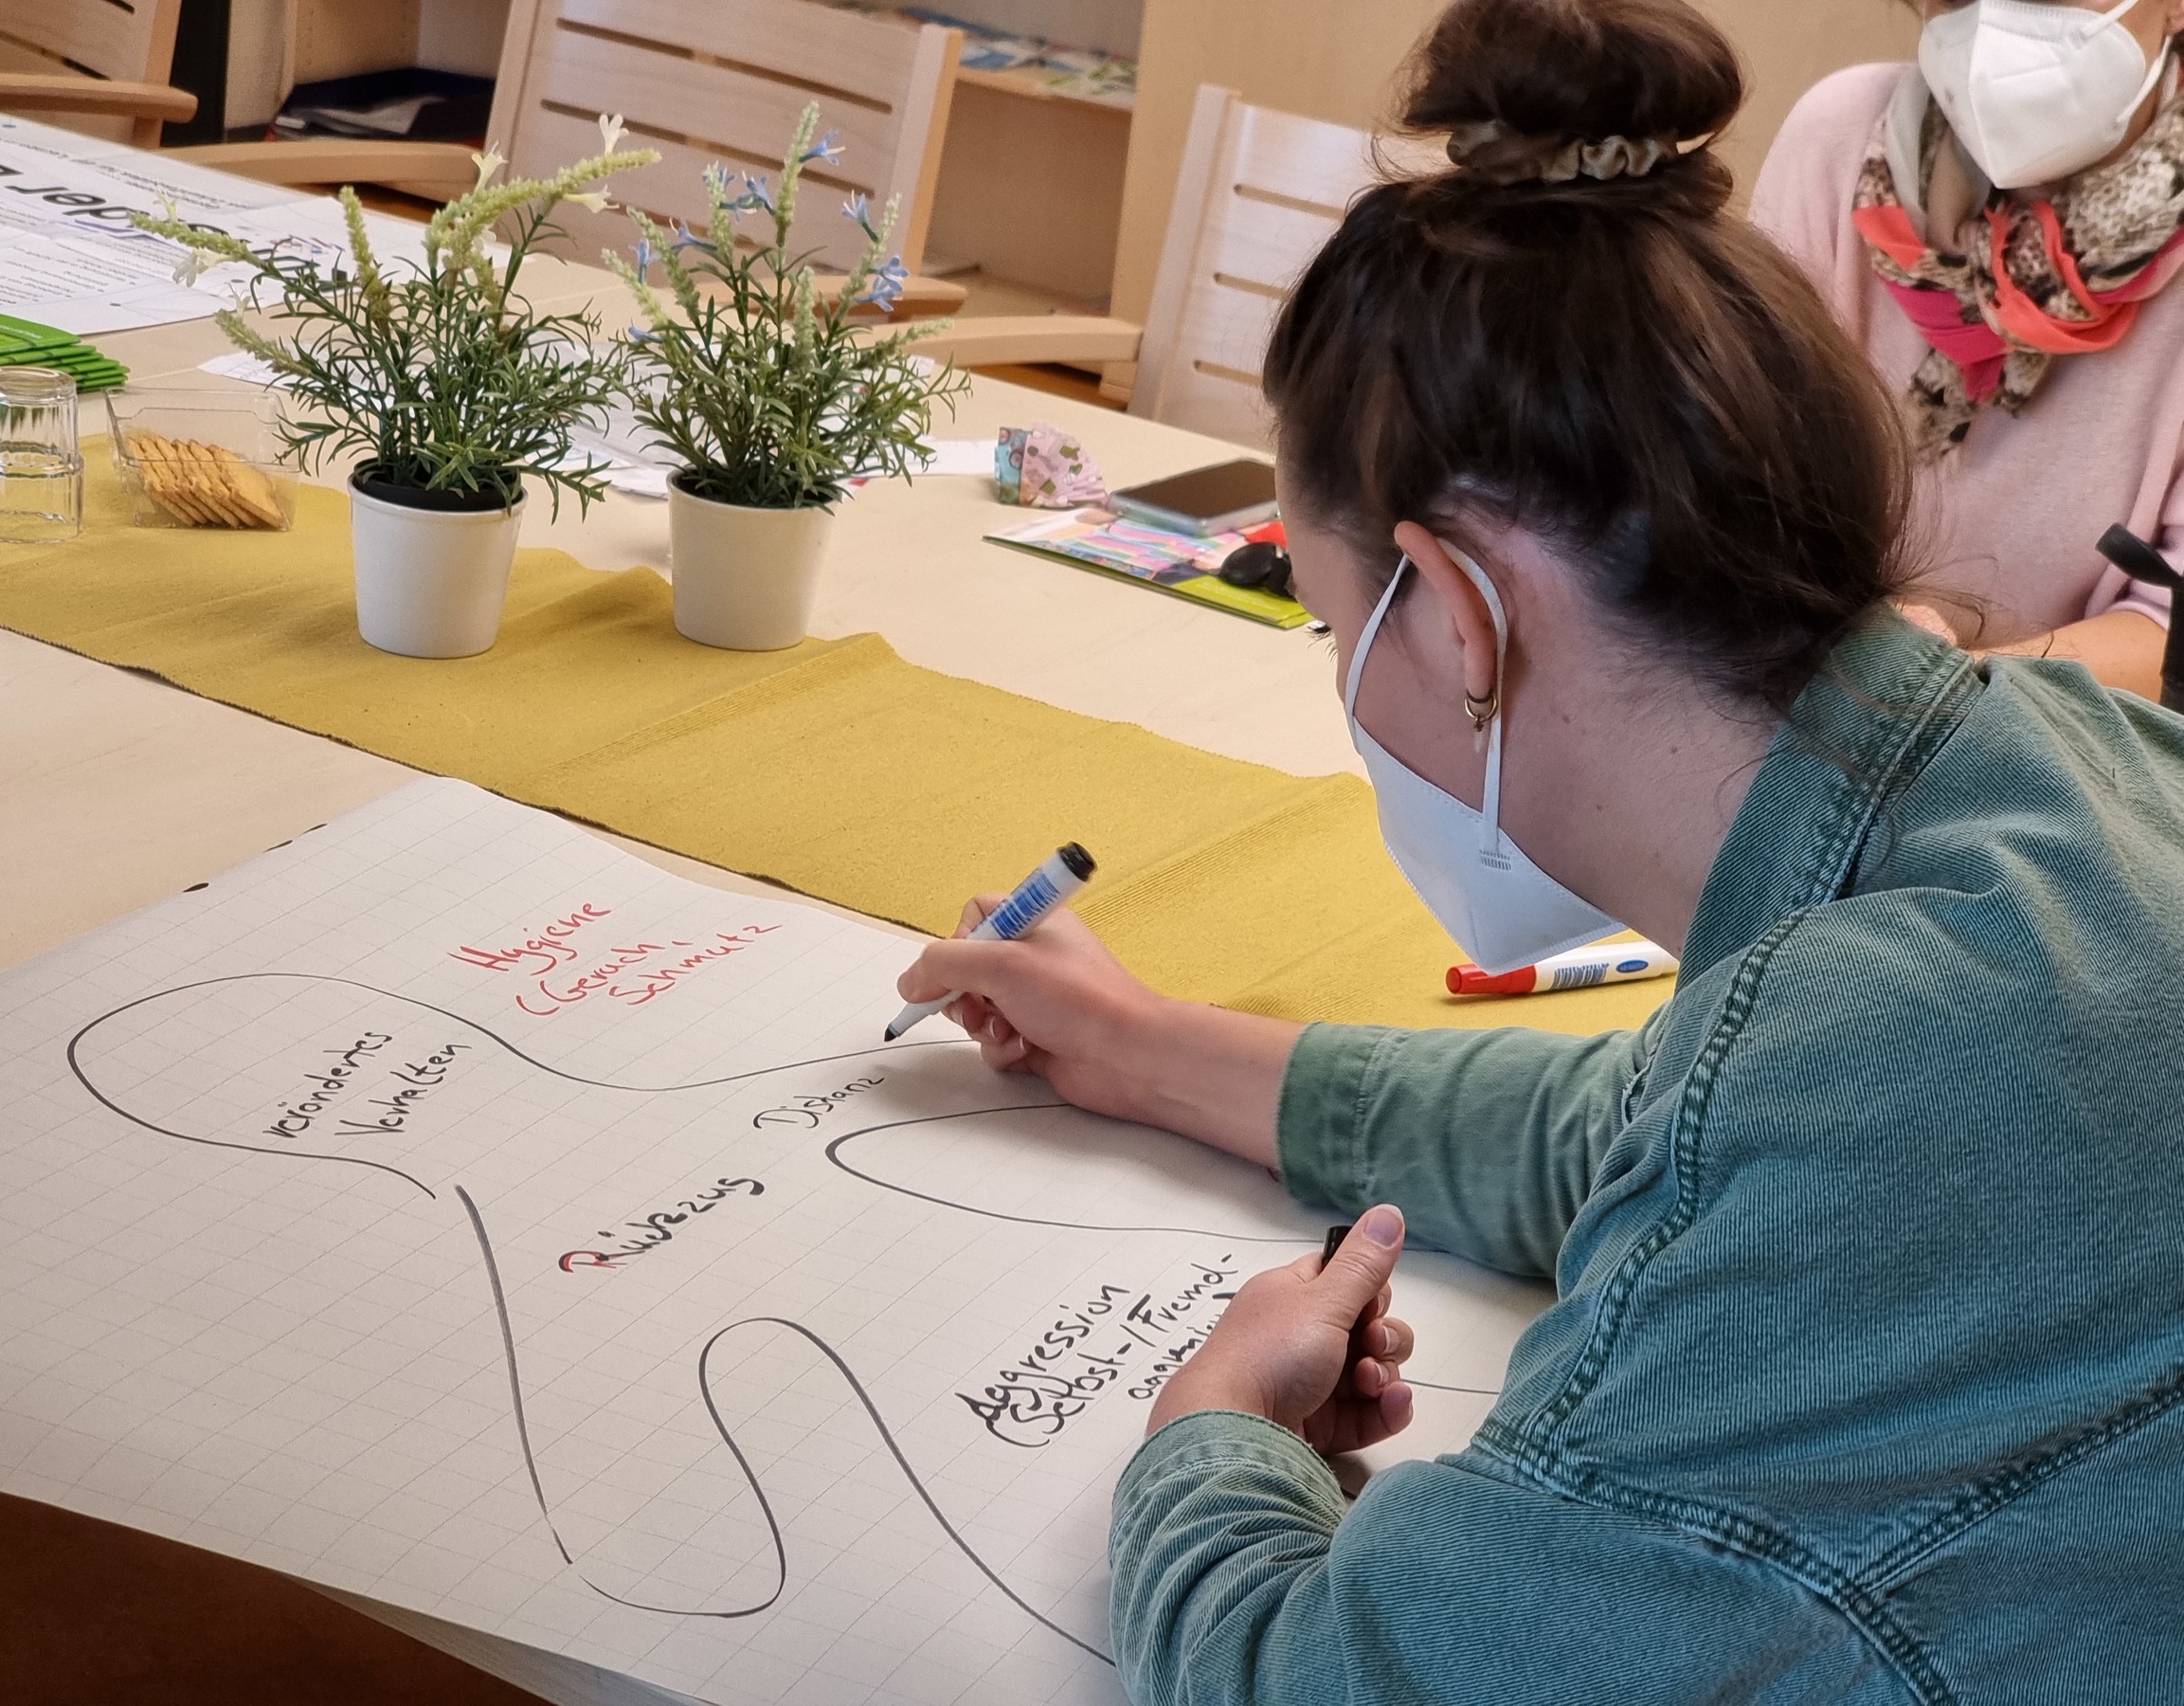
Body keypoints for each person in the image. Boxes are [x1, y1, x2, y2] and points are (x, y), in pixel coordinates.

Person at [894, 0, 2184, 1698]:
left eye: (1331, 629)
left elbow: (1336, 1678)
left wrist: (1209, 1429)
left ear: (1455, 612)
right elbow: (1647, 1118)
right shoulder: (2066, 772)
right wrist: (1146, 1050)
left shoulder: (1874, 1077)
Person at [1753, 0, 2184, 700]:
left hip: (2078, 757)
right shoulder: (1838, 136)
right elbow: (1741, 489)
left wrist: (1947, 683)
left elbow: (2168, 627)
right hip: (1811, 712)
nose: (1995, 22)